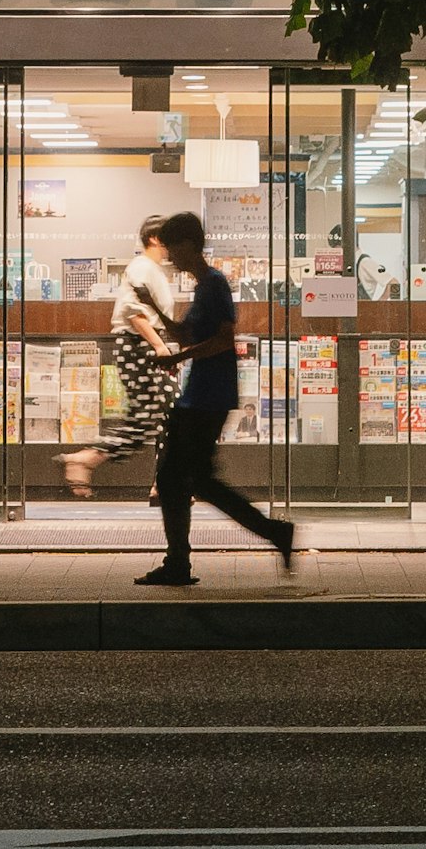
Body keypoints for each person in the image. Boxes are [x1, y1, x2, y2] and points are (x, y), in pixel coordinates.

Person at [137, 210, 299, 585]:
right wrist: (153, 306)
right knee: (193, 480)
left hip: (208, 396)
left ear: (189, 244)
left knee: (177, 478)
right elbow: (185, 333)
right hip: (203, 396)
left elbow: (223, 340)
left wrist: (177, 357)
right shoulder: (203, 287)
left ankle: (180, 561)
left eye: (173, 247)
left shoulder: (214, 284)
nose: (171, 256)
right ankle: (271, 533)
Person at [63, 215, 186, 498]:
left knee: (163, 415)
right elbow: (135, 313)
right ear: (155, 239)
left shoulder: (151, 268)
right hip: (140, 345)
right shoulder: (143, 267)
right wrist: (160, 347)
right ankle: (87, 458)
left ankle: (164, 482)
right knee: (159, 415)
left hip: (143, 345)